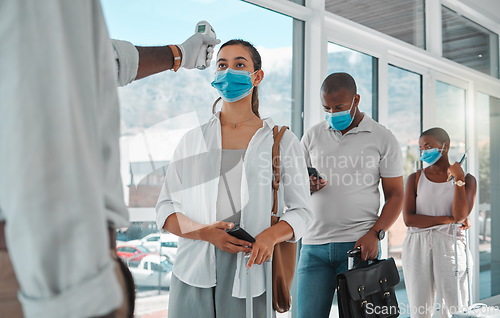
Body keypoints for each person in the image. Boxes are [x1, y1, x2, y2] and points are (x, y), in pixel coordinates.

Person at [0, 1, 219, 317]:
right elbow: (45, 88)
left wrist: (180, 54)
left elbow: (95, 60)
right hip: (45, 274)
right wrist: (78, 292)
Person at [155, 39, 312, 318]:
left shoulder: (282, 141)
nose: (229, 72)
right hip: (193, 268)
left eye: (240, 64)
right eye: (222, 65)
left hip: (250, 270)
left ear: (257, 76)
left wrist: (271, 236)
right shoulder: (193, 140)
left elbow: (302, 212)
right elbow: (165, 208)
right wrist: (204, 232)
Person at [297, 72, 404, 317]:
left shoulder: (382, 137)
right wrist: (306, 185)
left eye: (339, 107)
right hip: (313, 247)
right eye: (327, 107)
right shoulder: (313, 135)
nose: (333, 113)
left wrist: (375, 234)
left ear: (356, 99)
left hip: (358, 247)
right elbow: (294, 185)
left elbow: (396, 195)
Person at [402, 128, 476, 318]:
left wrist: (458, 179)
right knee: (419, 308)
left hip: (450, 244)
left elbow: (460, 215)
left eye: (429, 146)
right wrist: (449, 219)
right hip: (417, 245)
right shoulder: (415, 178)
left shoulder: (468, 180)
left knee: (454, 307)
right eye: (421, 148)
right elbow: (409, 219)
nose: (424, 152)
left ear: (446, 146)